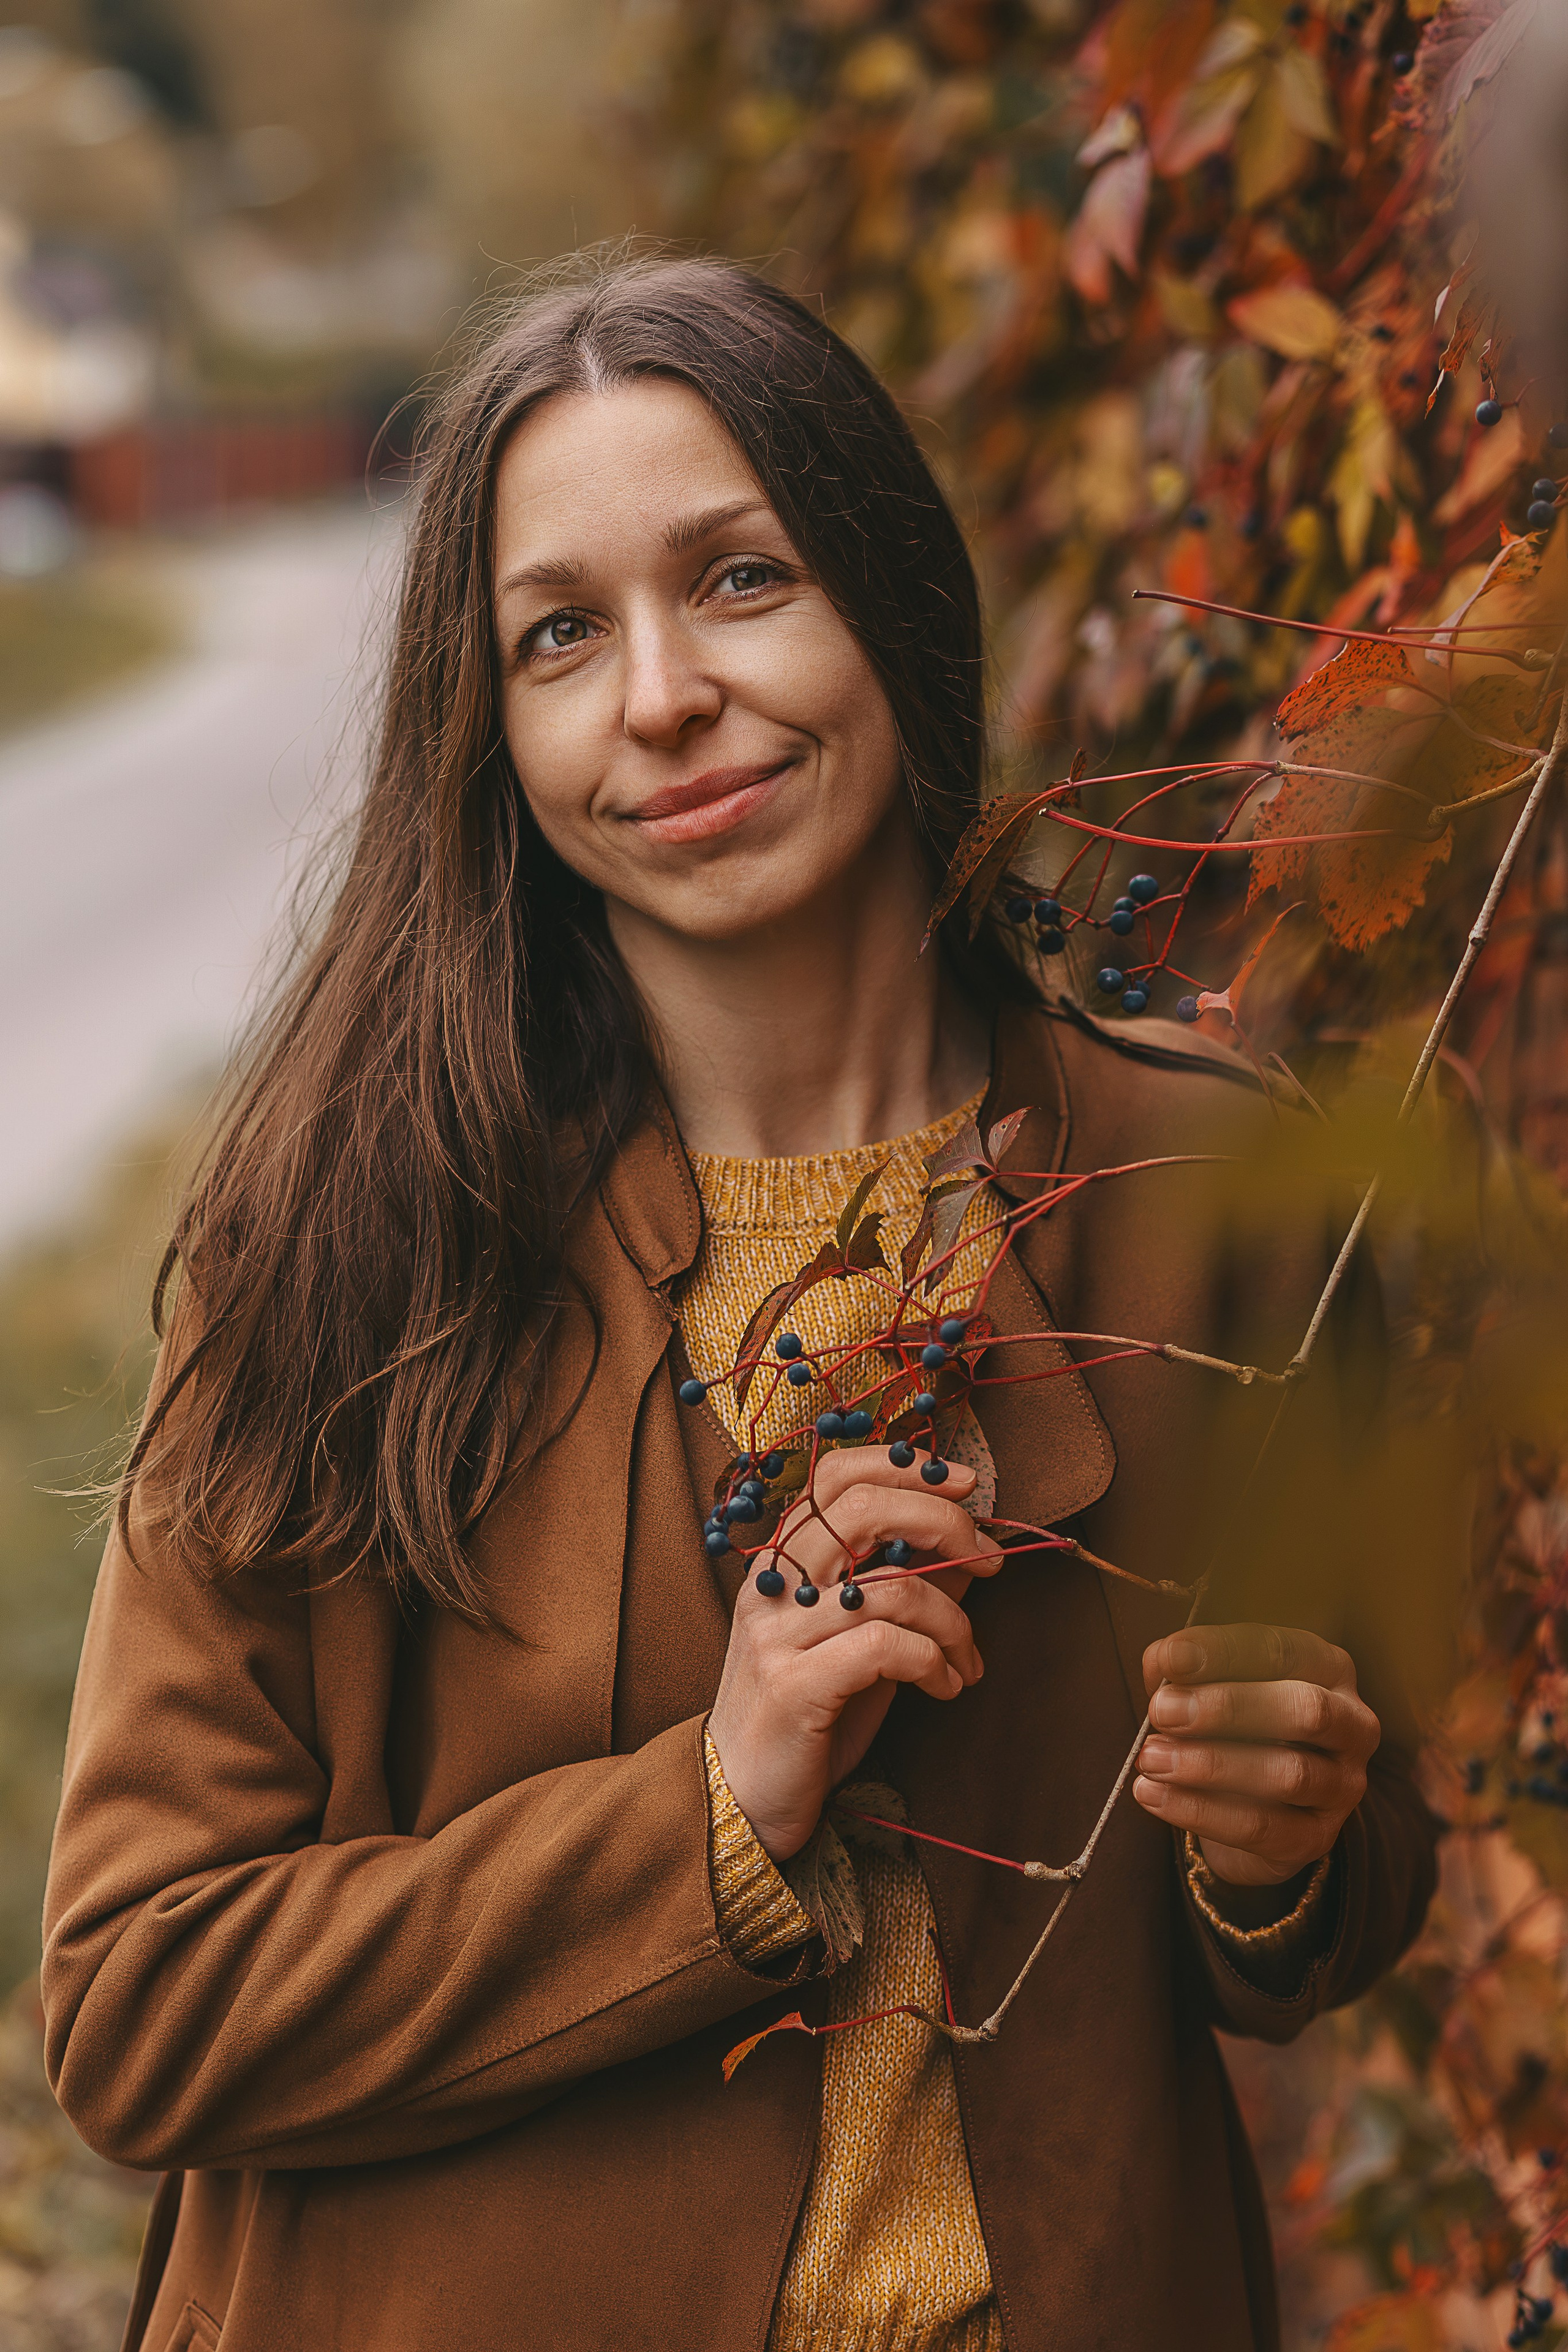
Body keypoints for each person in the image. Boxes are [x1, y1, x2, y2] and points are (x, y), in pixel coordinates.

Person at [42, 256, 1437, 2352]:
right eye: (561, 636)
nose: (664, 695)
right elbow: (142, 2007)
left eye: (744, 578)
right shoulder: (342, 1246)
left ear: (890, 595)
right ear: (494, 730)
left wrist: (1285, 1848)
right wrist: (716, 1809)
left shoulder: (1214, 1191)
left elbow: (1318, 1918)